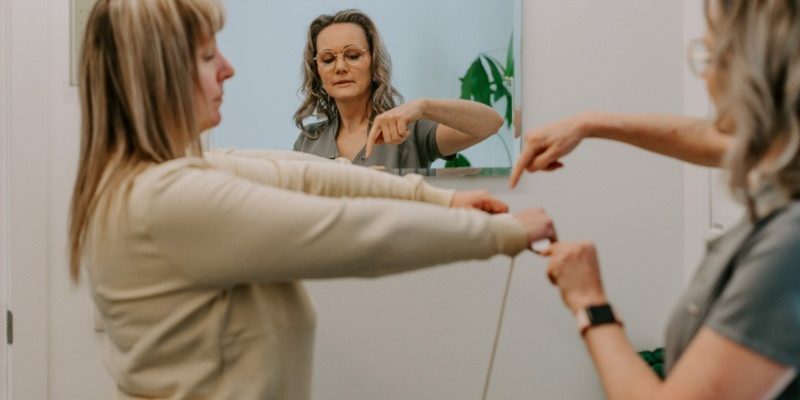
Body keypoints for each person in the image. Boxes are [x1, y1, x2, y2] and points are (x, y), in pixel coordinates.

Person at [68, 1, 556, 398]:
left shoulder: (173, 174)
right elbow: (347, 229)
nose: (229, 68)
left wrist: (439, 200)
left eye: (353, 54)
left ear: (373, 61)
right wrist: (501, 233)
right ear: (159, 75)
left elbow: (311, 179)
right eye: (206, 55)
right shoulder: (169, 197)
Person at [513, 0, 800, 398]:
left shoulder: (787, 244)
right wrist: (589, 123)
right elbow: (721, 140)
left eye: (710, 55)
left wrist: (588, 299)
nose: (707, 80)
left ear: (755, 72)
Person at [293, 9, 504, 169]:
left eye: (353, 55)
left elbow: (491, 123)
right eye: (328, 59)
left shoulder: (410, 130)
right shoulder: (308, 142)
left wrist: (423, 106)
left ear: (373, 62)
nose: (340, 68)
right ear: (317, 70)